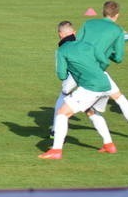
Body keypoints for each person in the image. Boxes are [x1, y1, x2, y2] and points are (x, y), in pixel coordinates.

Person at [39, 21, 115, 160]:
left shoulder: (62, 50)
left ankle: (56, 150)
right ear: (74, 33)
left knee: (62, 114)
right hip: (105, 84)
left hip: (90, 87)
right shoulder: (88, 45)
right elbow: (105, 61)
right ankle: (109, 145)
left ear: (60, 34)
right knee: (90, 111)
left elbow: (61, 75)